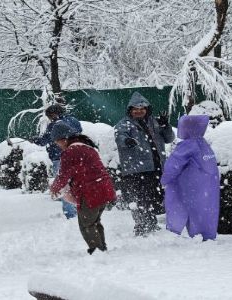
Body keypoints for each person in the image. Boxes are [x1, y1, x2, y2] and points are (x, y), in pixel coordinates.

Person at [49, 123, 117, 255]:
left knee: (86, 224)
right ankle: (101, 247)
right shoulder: (86, 147)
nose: (58, 145)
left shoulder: (71, 151)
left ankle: (97, 250)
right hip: (103, 189)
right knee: (94, 222)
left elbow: (63, 175)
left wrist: (54, 188)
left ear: (63, 139)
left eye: (57, 142)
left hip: (91, 192)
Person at [115, 92, 175, 236]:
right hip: (136, 168)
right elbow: (120, 136)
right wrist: (127, 141)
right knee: (139, 198)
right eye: (135, 108)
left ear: (147, 109)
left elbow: (169, 139)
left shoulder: (154, 122)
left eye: (142, 108)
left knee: (152, 197)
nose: (139, 111)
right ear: (130, 110)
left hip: (155, 167)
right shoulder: (124, 123)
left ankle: (151, 223)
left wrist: (166, 126)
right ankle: (141, 226)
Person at [161, 115, 220, 241]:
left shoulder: (187, 145)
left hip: (191, 186)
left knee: (185, 207)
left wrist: (165, 179)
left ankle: (197, 235)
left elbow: (173, 164)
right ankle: (206, 235)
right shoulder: (203, 143)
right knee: (205, 210)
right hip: (207, 186)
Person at [31, 104, 82, 219]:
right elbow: (79, 131)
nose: (49, 119)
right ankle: (81, 209)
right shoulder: (73, 120)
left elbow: (45, 140)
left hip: (59, 157)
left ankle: (70, 213)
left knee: (64, 185)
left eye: (49, 116)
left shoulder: (55, 125)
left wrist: (35, 139)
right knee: (76, 183)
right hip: (77, 156)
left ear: (53, 114)